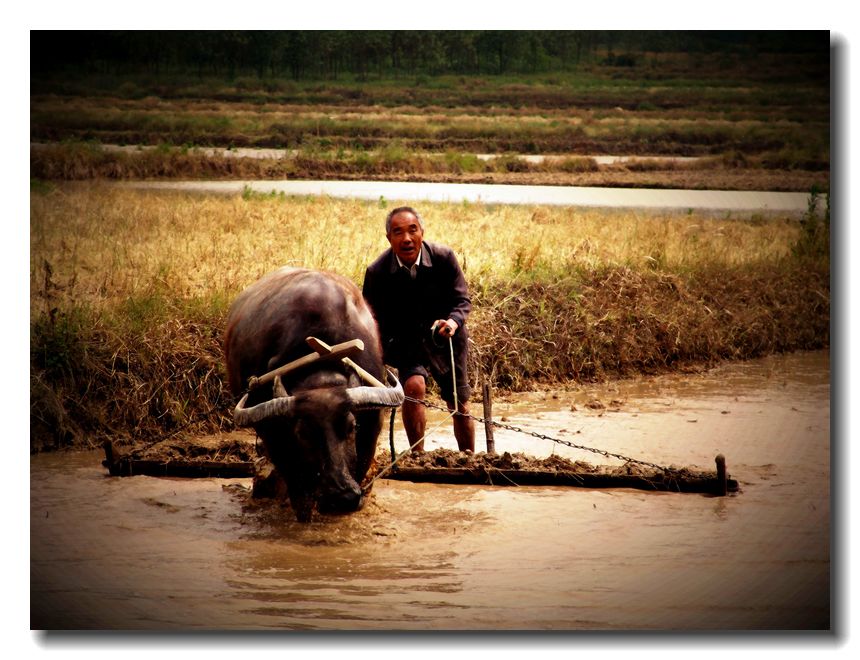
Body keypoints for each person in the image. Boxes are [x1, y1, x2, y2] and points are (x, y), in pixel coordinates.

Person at [362, 206, 475, 453]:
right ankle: (418, 455)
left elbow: (462, 301)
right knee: (413, 388)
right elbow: (370, 319)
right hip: (406, 342)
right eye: (398, 232)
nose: (406, 238)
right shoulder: (377, 272)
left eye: (412, 230)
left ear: (422, 232)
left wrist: (453, 322)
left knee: (459, 402)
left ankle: (469, 457)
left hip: (446, 338)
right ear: (389, 238)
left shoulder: (444, 258)